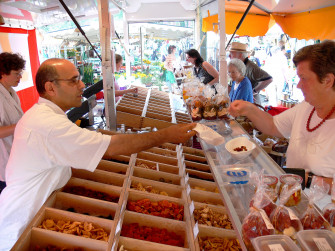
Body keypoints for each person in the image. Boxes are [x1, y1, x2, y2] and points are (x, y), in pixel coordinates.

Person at [0, 58, 196, 250]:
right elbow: (112, 147)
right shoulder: (48, 125)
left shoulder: (45, 116)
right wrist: (166, 135)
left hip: (38, 208)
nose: (82, 85)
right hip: (24, 219)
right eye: (73, 80)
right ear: (50, 88)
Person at [229, 40, 335, 190]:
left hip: (323, 211)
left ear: (328, 81)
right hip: (292, 200)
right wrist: (248, 108)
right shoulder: (305, 107)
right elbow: (273, 125)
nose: (298, 85)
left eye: (303, 78)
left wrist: (309, 180)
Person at [0, 52, 26, 193]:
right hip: (3, 157)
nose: (20, 77)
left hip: (14, 153)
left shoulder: (10, 92)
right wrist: (20, 126)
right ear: (3, 73)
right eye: (16, 73)